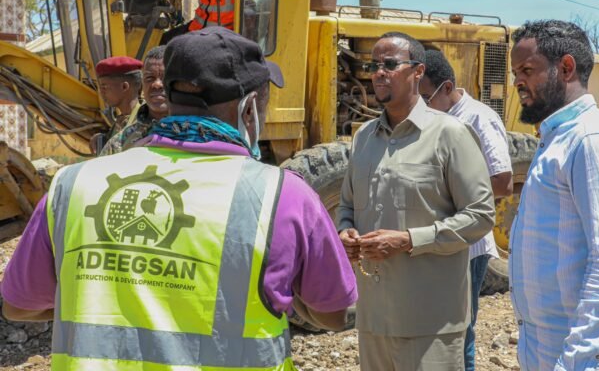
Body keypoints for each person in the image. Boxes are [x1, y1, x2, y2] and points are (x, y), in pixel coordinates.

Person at [1, 27, 357, 370]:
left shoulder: (72, 185)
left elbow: (19, 306)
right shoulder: (284, 195)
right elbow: (333, 313)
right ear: (249, 108)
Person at [337, 32, 495, 371]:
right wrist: (345, 233)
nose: (379, 72)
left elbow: (481, 215)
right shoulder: (364, 138)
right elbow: (347, 206)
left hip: (430, 323)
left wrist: (409, 240)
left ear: (418, 71)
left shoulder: (449, 134)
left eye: (390, 64)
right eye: (374, 65)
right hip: (373, 320)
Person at [508, 20, 599, 371]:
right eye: (515, 73)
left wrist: (577, 360)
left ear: (566, 68)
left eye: (527, 70)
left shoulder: (592, 140)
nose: (517, 83)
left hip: (590, 361)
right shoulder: (558, 138)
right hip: (554, 352)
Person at [418, 49, 513, 371]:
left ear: (447, 88)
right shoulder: (433, 118)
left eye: (425, 97)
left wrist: (448, 192)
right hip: (438, 242)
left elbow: (502, 181)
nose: (420, 106)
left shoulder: (477, 118)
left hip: (468, 247)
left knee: (460, 333)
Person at [100, 46, 168, 155]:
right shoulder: (120, 142)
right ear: (143, 83)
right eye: (149, 78)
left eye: (165, 77)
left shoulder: (199, 132)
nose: (157, 84)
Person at [91, 55, 143, 153]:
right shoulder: (121, 121)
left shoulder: (144, 121)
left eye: (104, 87)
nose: (101, 92)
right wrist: (102, 138)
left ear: (124, 87)